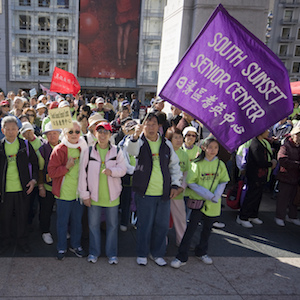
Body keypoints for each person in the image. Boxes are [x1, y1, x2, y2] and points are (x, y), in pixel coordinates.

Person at [124, 112, 181, 267]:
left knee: (162, 226)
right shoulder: (138, 141)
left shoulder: (166, 144)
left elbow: (174, 166)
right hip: (144, 193)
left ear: (159, 126)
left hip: (163, 193)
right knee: (144, 225)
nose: (150, 127)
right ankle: (142, 253)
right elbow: (131, 151)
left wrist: (176, 185)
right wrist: (135, 137)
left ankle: (157, 253)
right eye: (147, 124)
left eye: (154, 124)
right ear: (143, 126)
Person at [171, 137, 229, 268]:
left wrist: (217, 195)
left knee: (207, 229)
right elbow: (191, 182)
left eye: (216, 148)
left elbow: (224, 180)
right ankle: (181, 256)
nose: (213, 150)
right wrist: (208, 194)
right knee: (191, 229)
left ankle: (202, 251)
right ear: (204, 148)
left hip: (213, 203)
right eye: (210, 147)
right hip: (198, 201)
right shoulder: (196, 164)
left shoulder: (220, 164)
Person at [78, 122, 127, 264]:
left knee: (112, 227)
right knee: (93, 226)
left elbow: (123, 169)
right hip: (93, 197)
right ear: (95, 134)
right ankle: (94, 252)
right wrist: (84, 195)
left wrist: (112, 172)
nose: (103, 135)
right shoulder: (88, 151)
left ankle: (112, 254)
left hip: (112, 197)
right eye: (100, 132)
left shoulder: (117, 151)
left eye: (106, 132)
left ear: (110, 135)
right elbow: (82, 174)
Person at [48, 121, 88, 260]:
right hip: (64, 193)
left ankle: (76, 245)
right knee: (62, 222)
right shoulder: (59, 149)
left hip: (78, 193)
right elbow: (51, 172)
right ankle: (61, 247)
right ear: (65, 133)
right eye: (70, 132)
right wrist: (66, 167)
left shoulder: (83, 148)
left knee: (77, 222)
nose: (74, 134)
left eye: (77, 132)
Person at [0, 116, 38, 254]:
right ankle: (5, 242)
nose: (11, 132)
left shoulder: (25, 145)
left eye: (14, 129)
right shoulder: (1, 146)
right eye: (8, 129)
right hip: (5, 190)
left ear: (18, 130)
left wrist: (34, 180)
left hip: (23, 189)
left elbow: (35, 164)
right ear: (3, 130)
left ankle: (22, 241)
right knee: (5, 217)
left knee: (23, 217)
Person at [237, 130, 277, 228]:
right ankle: (243, 217)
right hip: (254, 175)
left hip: (261, 175)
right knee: (251, 196)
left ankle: (253, 215)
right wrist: (270, 164)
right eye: (267, 130)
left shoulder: (263, 142)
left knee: (257, 196)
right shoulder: (254, 143)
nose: (268, 132)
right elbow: (259, 161)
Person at [165, 127, 189, 246]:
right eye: (176, 137)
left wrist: (181, 188)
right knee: (162, 219)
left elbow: (186, 173)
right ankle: (161, 243)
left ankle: (182, 242)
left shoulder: (184, 154)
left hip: (178, 193)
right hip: (164, 192)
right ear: (169, 139)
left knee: (180, 218)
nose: (179, 140)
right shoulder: (164, 152)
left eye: (180, 137)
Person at [38, 122, 61, 244]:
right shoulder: (42, 150)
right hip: (47, 186)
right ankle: (45, 231)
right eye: (50, 134)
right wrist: (41, 186)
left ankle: (63, 230)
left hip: (63, 186)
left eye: (55, 133)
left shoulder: (64, 147)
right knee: (46, 210)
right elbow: (40, 169)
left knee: (62, 211)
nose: (52, 136)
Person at [275, 125, 300, 226]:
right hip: (285, 176)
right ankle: (279, 216)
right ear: (293, 135)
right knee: (283, 198)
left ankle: (292, 216)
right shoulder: (285, 146)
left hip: (296, 178)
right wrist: (297, 165)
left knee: (295, 199)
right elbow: (282, 160)